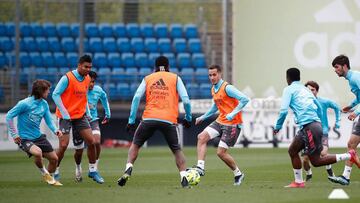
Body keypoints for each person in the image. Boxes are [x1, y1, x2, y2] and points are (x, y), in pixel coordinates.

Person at [273, 67, 360, 188]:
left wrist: (277, 126)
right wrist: (317, 120)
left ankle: (350, 155)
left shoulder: (288, 89)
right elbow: (318, 106)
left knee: (316, 161)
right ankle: (298, 182)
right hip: (309, 126)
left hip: (310, 126)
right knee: (292, 150)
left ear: (288, 78)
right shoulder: (305, 90)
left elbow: (283, 111)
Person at [117, 56, 192, 188]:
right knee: (176, 150)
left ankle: (128, 168)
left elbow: (136, 98)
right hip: (168, 120)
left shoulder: (148, 78)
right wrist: (188, 118)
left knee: (135, 144)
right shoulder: (175, 78)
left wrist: (131, 120)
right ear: (168, 67)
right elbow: (185, 100)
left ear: (155, 67)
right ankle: (183, 176)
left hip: (148, 118)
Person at [193, 64, 249, 186]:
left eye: (214, 74)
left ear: (220, 74)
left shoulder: (227, 88)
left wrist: (233, 114)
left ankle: (238, 174)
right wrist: (203, 117)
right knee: (201, 137)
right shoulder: (213, 89)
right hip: (220, 121)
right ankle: (200, 167)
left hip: (232, 124)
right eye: (210, 75)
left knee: (220, 153)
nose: (212, 77)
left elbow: (245, 99)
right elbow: (215, 107)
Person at [52, 54, 104, 184]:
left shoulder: (87, 79)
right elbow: (55, 94)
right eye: (86, 67)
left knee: (91, 142)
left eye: (90, 67)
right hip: (65, 117)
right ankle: (55, 170)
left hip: (80, 116)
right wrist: (64, 113)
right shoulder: (67, 78)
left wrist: (87, 112)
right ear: (79, 65)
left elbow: (84, 97)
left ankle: (92, 171)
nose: (88, 69)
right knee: (63, 146)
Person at [6, 79, 63, 186]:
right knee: (37, 153)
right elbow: (9, 116)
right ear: (40, 91)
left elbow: (49, 120)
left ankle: (50, 180)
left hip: (38, 137)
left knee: (54, 159)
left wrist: (56, 130)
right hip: (25, 138)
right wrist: (14, 134)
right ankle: (45, 174)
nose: (49, 92)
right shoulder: (24, 104)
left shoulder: (44, 104)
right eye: (47, 90)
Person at [73, 71, 111, 182]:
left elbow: (104, 98)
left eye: (93, 82)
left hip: (93, 120)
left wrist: (108, 114)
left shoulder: (98, 90)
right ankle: (78, 168)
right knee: (79, 151)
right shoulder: (80, 90)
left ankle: (94, 168)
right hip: (79, 120)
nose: (91, 84)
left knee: (97, 142)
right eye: (90, 82)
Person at [328, 54, 360, 185]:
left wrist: (356, 112)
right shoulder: (351, 78)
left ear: (345, 66)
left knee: (351, 145)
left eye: (337, 67)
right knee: (351, 145)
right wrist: (351, 106)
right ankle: (345, 177)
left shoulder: (355, 77)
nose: (335, 70)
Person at [302, 81, 341, 181]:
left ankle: (329, 170)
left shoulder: (323, 102)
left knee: (323, 153)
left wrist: (338, 121)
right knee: (305, 160)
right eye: (308, 90)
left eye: (313, 90)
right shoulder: (303, 103)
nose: (310, 92)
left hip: (322, 132)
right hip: (308, 133)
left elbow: (337, 107)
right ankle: (309, 174)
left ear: (317, 91)